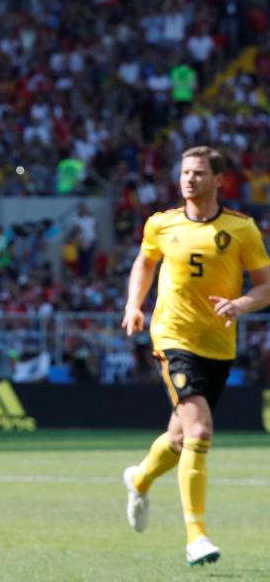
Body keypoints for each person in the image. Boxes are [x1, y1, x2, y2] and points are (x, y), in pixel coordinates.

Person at [120, 146, 270, 566]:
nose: (189, 179)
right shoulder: (161, 224)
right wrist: (134, 305)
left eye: (199, 173)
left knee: (181, 437)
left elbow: (266, 286)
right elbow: (144, 264)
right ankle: (196, 537)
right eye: (185, 172)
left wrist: (241, 304)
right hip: (173, 338)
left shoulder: (242, 230)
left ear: (219, 180)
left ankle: (140, 478)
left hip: (219, 346)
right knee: (201, 431)